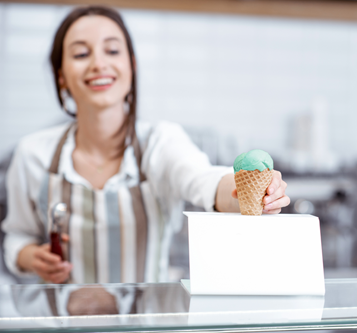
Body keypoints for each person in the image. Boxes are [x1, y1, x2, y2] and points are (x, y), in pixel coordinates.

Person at [1, 6, 290, 284]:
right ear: (61, 75)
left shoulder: (161, 142)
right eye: (80, 53)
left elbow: (204, 180)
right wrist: (30, 256)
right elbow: (16, 237)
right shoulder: (33, 154)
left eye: (112, 50)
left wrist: (252, 192)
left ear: (132, 64)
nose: (99, 63)